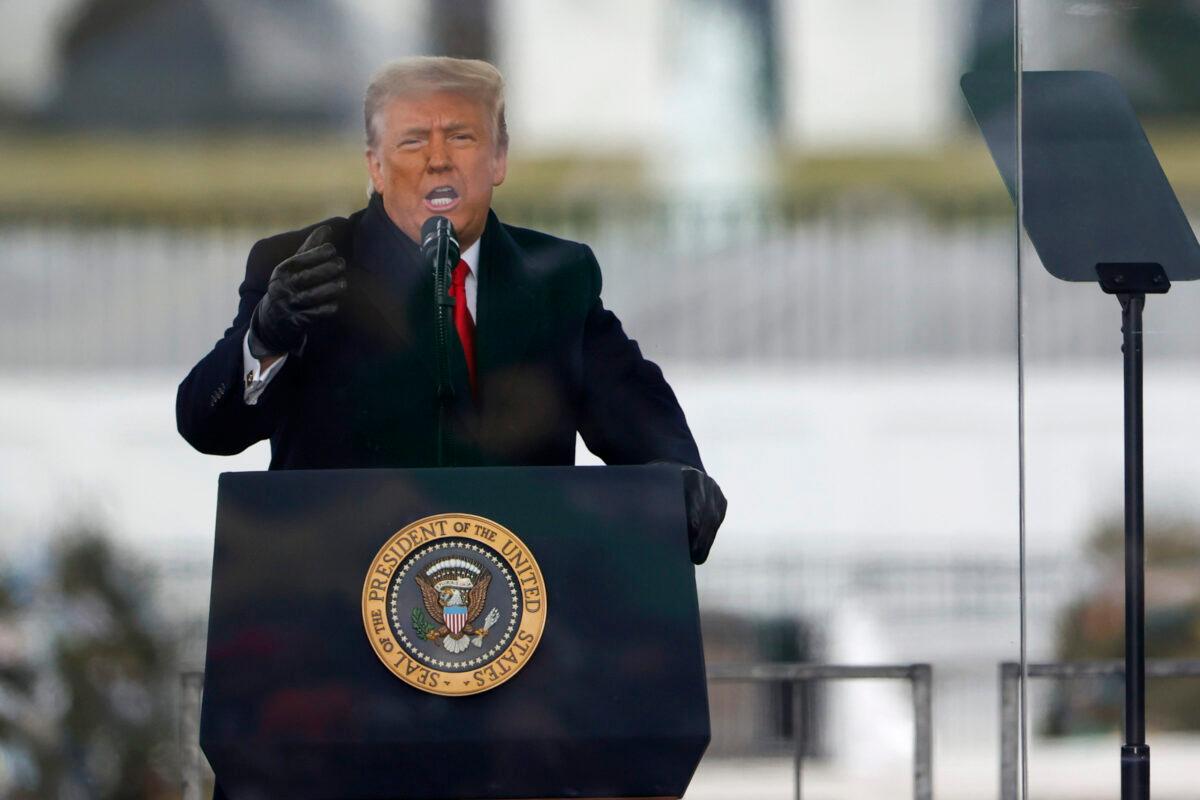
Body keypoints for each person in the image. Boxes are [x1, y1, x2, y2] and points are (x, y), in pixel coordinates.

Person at [176, 56, 726, 564]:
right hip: (337, 602)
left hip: (520, 610)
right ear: (375, 164)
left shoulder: (558, 275)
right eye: (413, 141)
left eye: (461, 137)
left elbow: (630, 399)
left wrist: (676, 470)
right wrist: (265, 337)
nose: (438, 159)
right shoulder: (299, 265)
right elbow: (206, 424)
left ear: (499, 159)